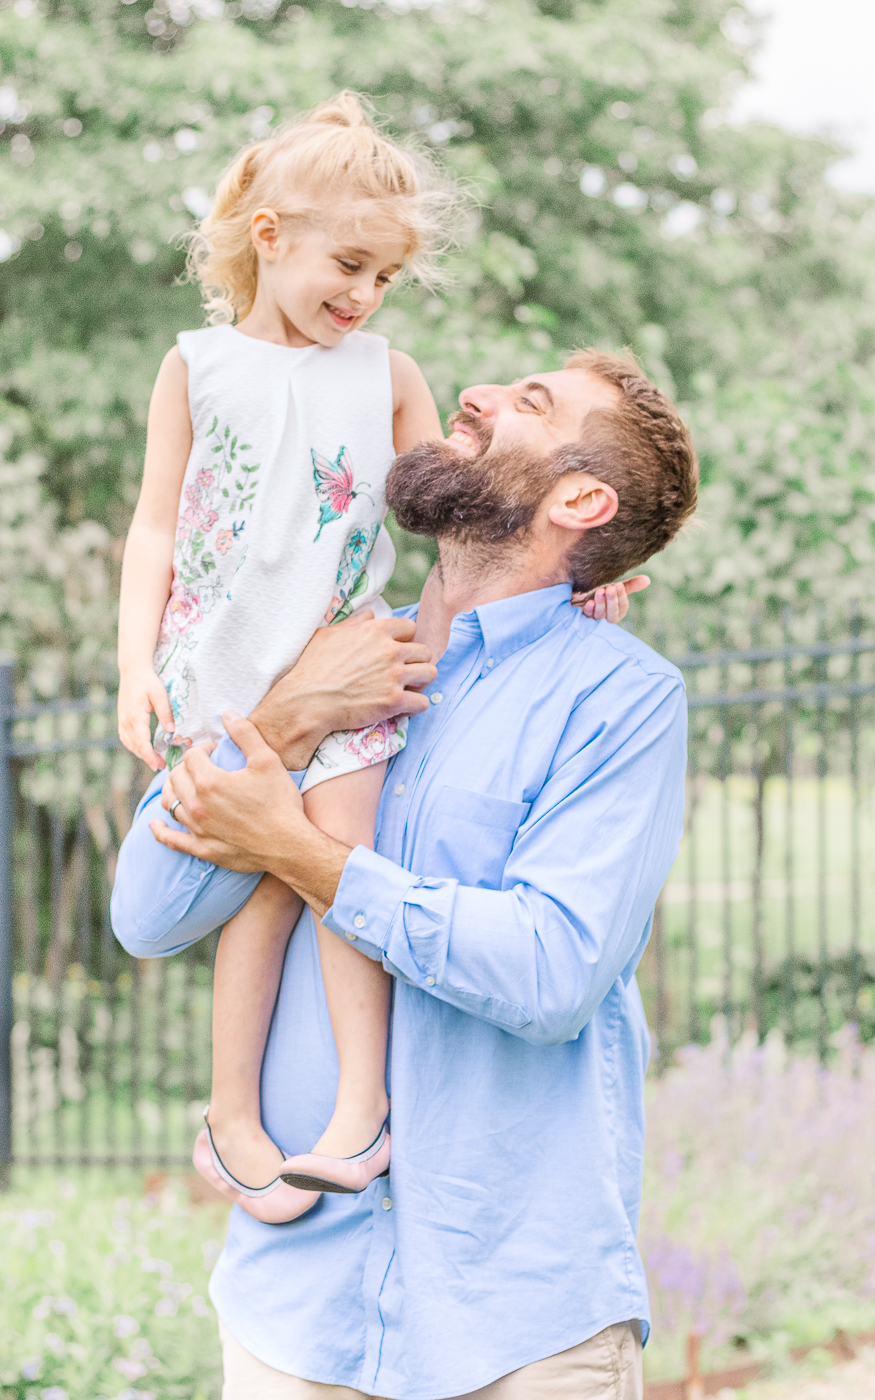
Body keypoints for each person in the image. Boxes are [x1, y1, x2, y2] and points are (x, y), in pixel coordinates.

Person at [112, 349, 697, 1399]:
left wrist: (297, 850)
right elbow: (146, 913)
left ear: (580, 498)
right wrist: (288, 718)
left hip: (519, 1330)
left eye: (529, 403)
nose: (474, 393)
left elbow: (548, 971)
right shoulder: (310, 655)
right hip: (297, 1312)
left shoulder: (621, 700)